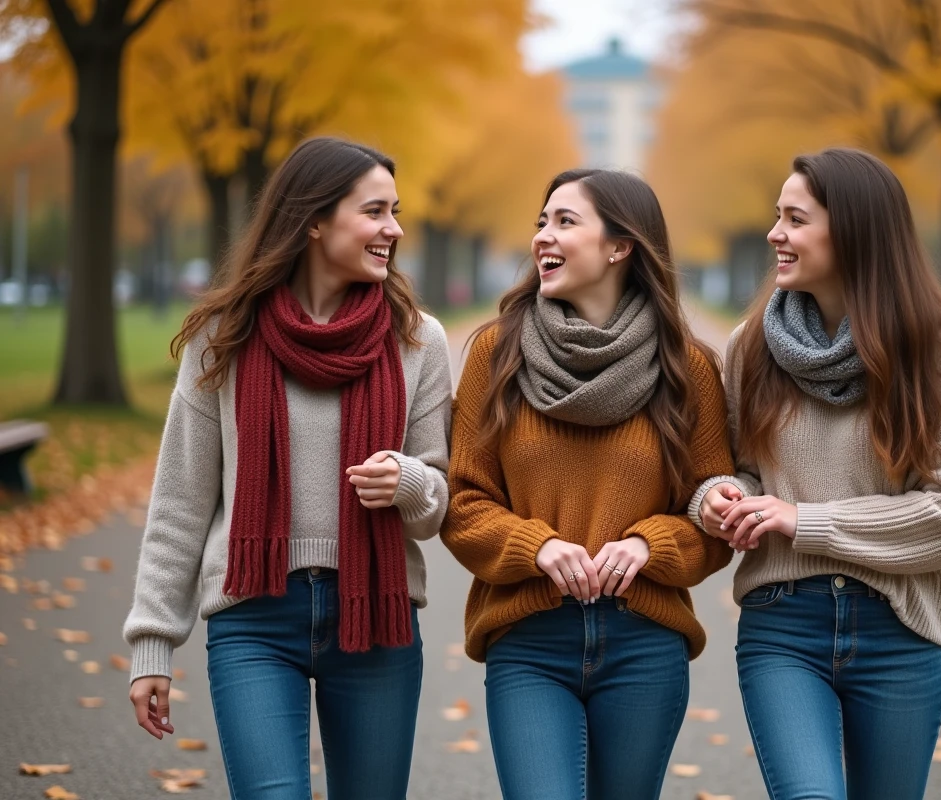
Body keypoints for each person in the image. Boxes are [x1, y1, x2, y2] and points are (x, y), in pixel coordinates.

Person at [123, 136, 452, 800]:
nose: (395, 228)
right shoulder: (225, 335)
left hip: (377, 618)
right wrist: (152, 643)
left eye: (396, 211)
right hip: (252, 615)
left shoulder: (417, 337)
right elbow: (181, 501)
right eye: (376, 211)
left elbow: (438, 503)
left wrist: (410, 482)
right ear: (313, 220)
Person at [694, 148, 941, 800]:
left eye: (795, 219)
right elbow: (742, 472)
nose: (776, 233)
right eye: (777, 217)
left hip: (901, 628)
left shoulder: (940, 353)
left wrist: (802, 520)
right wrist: (725, 500)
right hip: (783, 625)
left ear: (854, 229)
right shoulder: (752, 347)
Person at [441, 169, 735, 800]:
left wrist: (649, 545)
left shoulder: (689, 368)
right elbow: (462, 503)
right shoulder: (495, 354)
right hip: (527, 641)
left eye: (565, 221)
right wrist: (534, 545)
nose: (543, 236)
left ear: (620, 245)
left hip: (645, 645)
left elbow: (715, 516)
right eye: (541, 222)